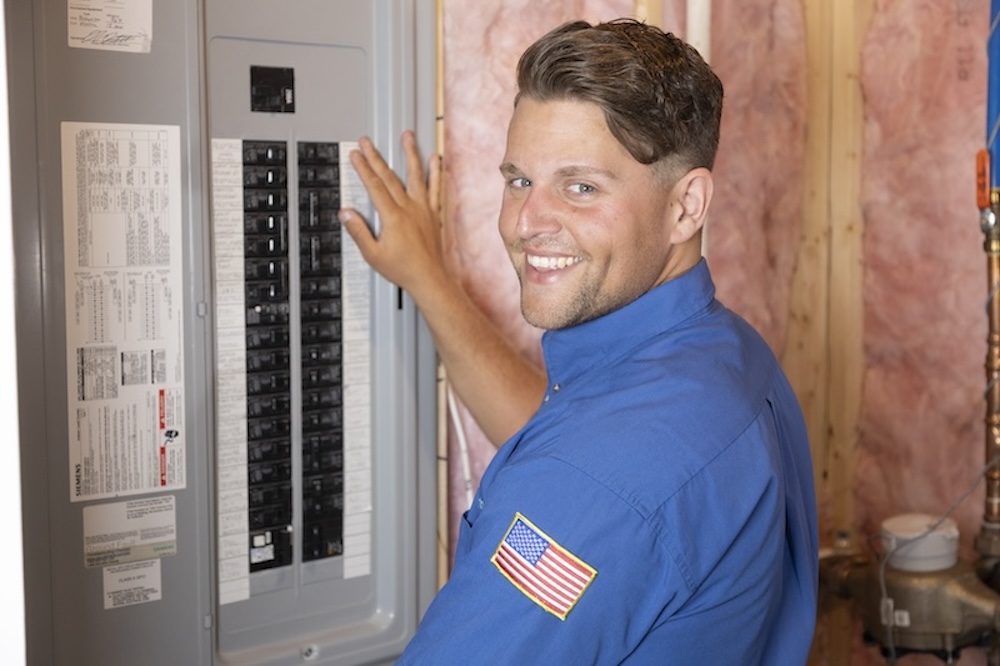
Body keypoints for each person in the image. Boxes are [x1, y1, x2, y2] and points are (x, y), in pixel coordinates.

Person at [339, 17, 819, 665]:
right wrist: (429, 279)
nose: (527, 223)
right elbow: (561, 439)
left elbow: (595, 486)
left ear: (685, 207)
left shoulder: (600, 479)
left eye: (581, 187)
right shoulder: (721, 355)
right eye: (519, 180)